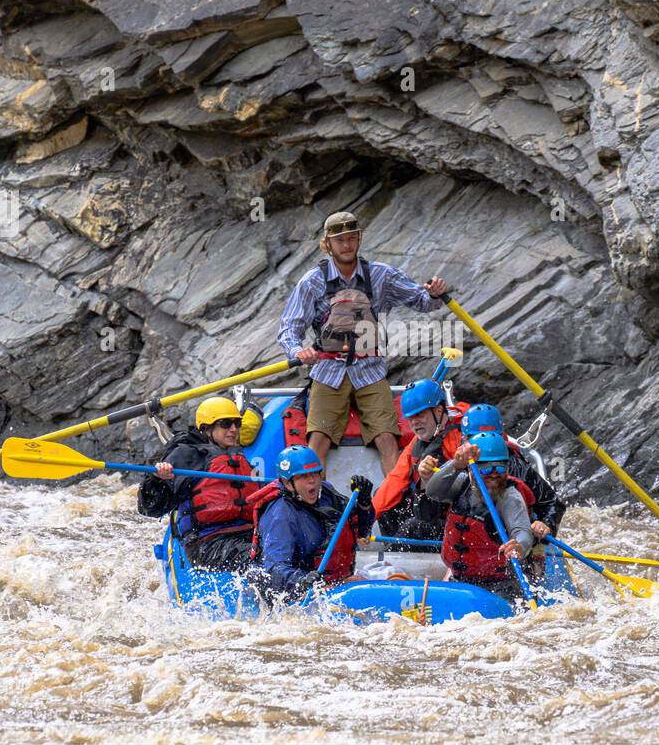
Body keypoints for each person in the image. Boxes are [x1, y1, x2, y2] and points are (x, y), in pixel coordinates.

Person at [277, 210, 449, 474]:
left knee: (387, 438)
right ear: (328, 244)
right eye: (340, 240)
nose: (346, 245)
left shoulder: (381, 275)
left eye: (351, 238)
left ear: (359, 239)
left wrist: (435, 293)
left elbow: (421, 300)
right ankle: (317, 507)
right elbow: (290, 327)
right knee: (317, 440)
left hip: (369, 370)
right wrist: (298, 350)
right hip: (327, 371)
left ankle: (394, 506)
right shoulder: (312, 281)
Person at [137, 397, 256, 571]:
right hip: (207, 543)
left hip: (246, 535)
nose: (233, 429)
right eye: (225, 423)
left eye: (237, 423)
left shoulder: (237, 456)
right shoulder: (187, 455)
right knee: (265, 556)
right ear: (206, 428)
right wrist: (157, 479)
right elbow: (149, 508)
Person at [425, 431, 538, 600]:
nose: (494, 475)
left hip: (499, 586)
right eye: (486, 470)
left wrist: (519, 546)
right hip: (460, 579)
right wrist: (455, 464)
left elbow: (522, 531)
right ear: (472, 469)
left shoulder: (509, 497)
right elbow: (432, 492)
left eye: (499, 469)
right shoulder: (462, 484)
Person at [252, 445, 375, 597]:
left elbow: (361, 531)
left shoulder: (326, 493)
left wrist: (364, 503)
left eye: (315, 474)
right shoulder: (280, 515)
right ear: (288, 483)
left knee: (362, 580)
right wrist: (302, 580)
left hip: (331, 582)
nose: (313, 481)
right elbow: (274, 568)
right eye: (303, 476)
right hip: (295, 592)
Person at [371, 378, 467, 540]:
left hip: (459, 516)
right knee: (384, 501)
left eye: (419, 415)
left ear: (438, 410)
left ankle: (398, 556)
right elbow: (395, 481)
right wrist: (361, 523)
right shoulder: (417, 443)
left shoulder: (463, 436)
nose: (414, 423)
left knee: (413, 527)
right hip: (431, 509)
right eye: (410, 418)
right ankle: (396, 550)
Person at [458, 403, 566, 543]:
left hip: (516, 541)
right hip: (474, 540)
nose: (477, 446)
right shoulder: (459, 463)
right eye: (471, 439)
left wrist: (546, 525)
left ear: (500, 437)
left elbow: (553, 503)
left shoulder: (518, 468)